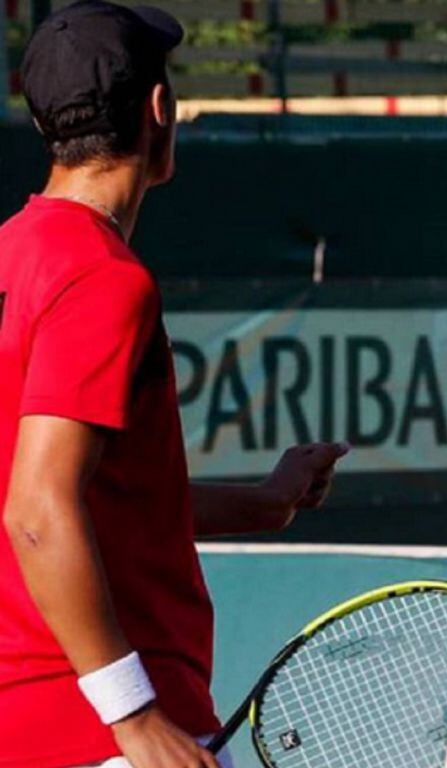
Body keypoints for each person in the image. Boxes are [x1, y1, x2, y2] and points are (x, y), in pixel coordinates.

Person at [0, 3, 349, 767]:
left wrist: (265, 501)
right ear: (162, 110)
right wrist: (134, 717)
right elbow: (35, 508)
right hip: (101, 732)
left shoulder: (11, 254)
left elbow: (84, 499)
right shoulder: (99, 278)